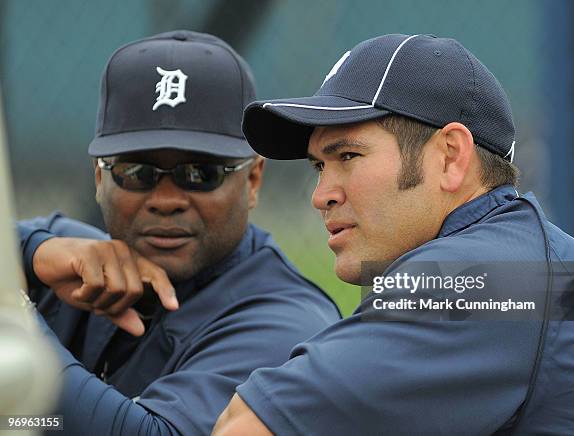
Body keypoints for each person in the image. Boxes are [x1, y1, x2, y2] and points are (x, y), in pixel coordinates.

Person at [213, 34, 574, 435]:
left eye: (348, 156)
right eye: (320, 167)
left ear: (451, 156)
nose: (322, 196)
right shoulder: (528, 260)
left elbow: (245, 427)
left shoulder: (474, 279)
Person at [17, 30, 340, 435]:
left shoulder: (287, 326)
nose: (166, 199)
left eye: (200, 174)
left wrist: (15, 314)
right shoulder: (62, 260)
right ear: (99, 177)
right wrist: (28, 252)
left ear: (253, 180)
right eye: (138, 172)